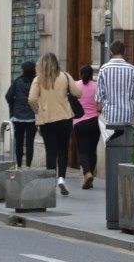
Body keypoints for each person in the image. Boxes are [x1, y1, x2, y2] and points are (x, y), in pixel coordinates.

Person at [29, 52, 81, 195]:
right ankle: (61, 179)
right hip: (65, 118)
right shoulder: (65, 76)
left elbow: (32, 99)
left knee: (50, 151)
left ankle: (50, 182)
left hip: (46, 120)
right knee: (63, 150)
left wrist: (38, 111)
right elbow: (78, 93)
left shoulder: (38, 80)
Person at [95, 39, 134, 132]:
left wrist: (100, 110)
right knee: (126, 143)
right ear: (124, 51)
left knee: (110, 144)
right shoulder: (133, 70)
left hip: (109, 115)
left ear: (110, 52)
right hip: (128, 115)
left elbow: (99, 96)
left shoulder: (104, 69)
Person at [73, 64, 102, 189]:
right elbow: (101, 105)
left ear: (81, 74)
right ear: (92, 75)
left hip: (79, 122)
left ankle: (87, 173)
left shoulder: (75, 85)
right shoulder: (97, 86)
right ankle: (91, 176)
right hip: (95, 122)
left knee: (83, 151)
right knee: (92, 150)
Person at [6, 60, 38, 167]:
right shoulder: (36, 82)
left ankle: (19, 165)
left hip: (18, 117)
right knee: (30, 143)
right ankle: (28, 165)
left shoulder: (17, 81)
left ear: (23, 70)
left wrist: (13, 107)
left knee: (19, 142)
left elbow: (8, 96)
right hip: (32, 117)